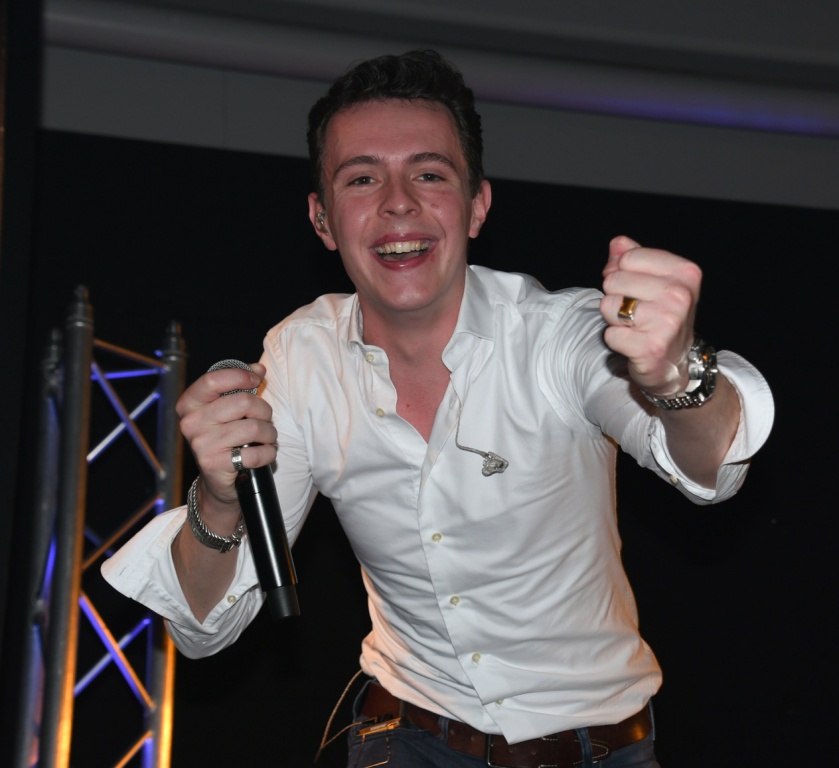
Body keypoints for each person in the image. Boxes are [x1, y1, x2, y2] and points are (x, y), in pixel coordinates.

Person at [103, 50, 774, 767]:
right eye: (362, 178)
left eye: (429, 174)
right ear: (323, 220)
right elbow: (207, 625)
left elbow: (710, 464)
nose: (398, 202)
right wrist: (218, 500)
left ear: (477, 206)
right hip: (407, 736)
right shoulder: (301, 358)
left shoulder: (559, 336)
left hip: (596, 748)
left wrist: (675, 376)